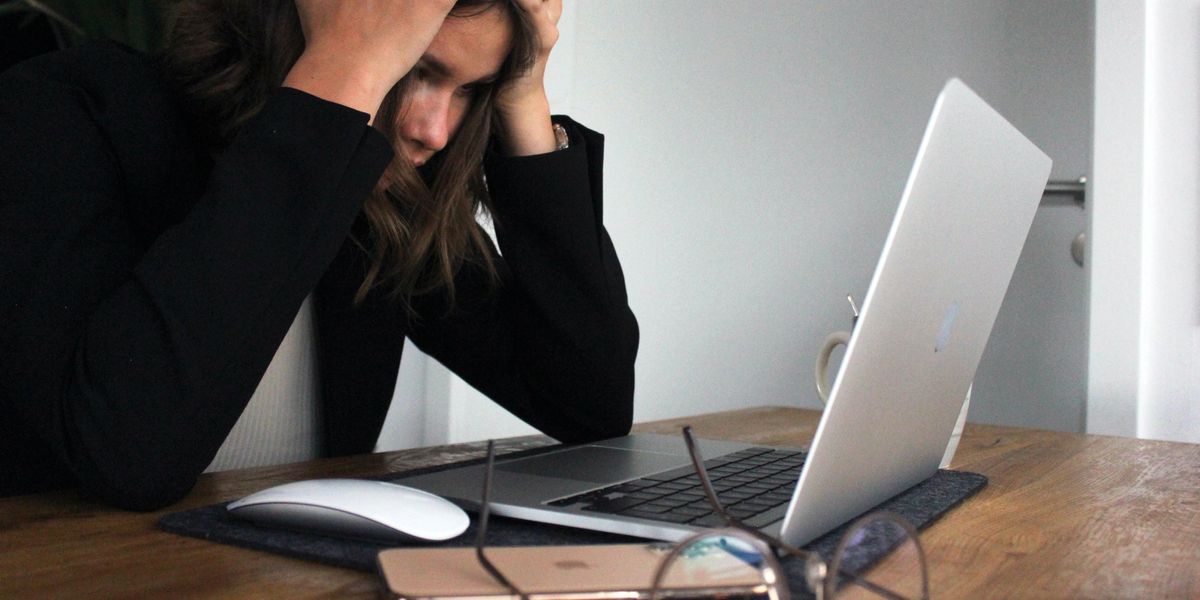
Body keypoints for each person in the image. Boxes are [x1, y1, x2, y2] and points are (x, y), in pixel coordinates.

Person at [0, 0, 638, 510]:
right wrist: (345, 68)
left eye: (472, 89)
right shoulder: (64, 112)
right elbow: (130, 458)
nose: (434, 130)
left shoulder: (382, 201)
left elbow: (589, 405)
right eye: (418, 70)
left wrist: (524, 98)